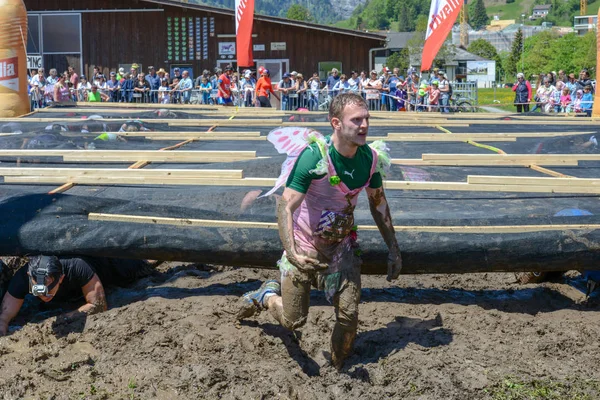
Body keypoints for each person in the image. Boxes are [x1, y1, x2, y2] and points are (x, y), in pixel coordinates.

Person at [236, 93, 402, 370]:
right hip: (303, 245)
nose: (364, 126)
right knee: (293, 320)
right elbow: (286, 206)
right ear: (336, 123)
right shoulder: (314, 156)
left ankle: (338, 368)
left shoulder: (370, 159)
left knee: (349, 316)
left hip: (341, 247)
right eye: (356, 120)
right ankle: (266, 295)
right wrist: (293, 253)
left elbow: (378, 204)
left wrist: (394, 248)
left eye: (366, 119)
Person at [0, 256, 158, 336]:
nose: (43, 296)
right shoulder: (24, 277)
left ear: (61, 278)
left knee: (145, 264)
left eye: (47, 291)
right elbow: (5, 314)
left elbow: (98, 305)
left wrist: (66, 317)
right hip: (71, 290)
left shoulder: (77, 266)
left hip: (108, 269)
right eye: (37, 292)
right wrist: (2, 324)